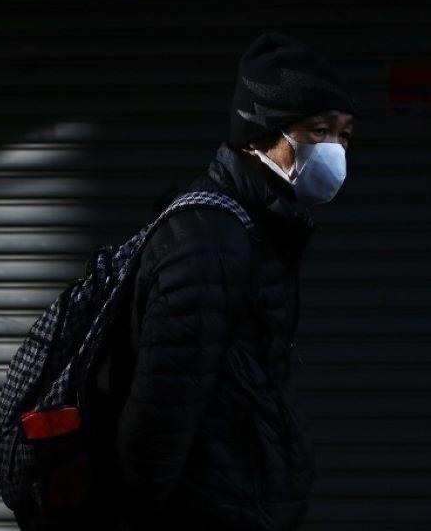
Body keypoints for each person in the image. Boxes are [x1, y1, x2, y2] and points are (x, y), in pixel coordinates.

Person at [88, 30, 357, 530]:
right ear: (259, 135)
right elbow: (157, 420)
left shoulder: (254, 229)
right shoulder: (209, 242)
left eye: (344, 134)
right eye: (319, 131)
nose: (337, 150)